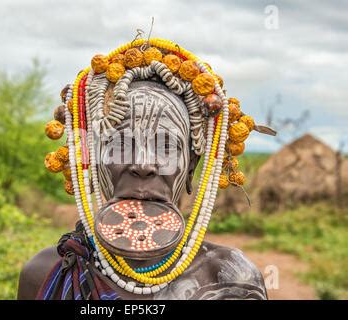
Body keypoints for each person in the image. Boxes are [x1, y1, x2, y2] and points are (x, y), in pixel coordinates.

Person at [18, 38, 273, 300]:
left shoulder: (232, 280)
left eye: (165, 147)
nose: (142, 164)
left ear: (190, 167)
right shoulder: (46, 274)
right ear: (92, 161)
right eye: (119, 143)